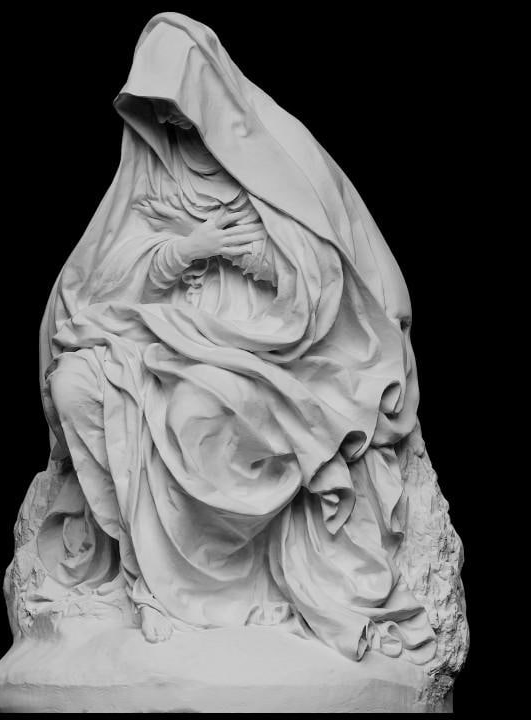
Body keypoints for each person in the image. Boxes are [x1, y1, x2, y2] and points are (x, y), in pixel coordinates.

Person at [36, 12, 437, 664]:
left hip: (264, 347)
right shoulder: (154, 167)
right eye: (155, 106)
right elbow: (105, 278)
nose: (168, 120)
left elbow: (321, 281)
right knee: (76, 384)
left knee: (199, 410)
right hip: (161, 334)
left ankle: (211, 594)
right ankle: (144, 579)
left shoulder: (276, 156)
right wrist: (186, 250)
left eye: (176, 101)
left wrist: (252, 258)